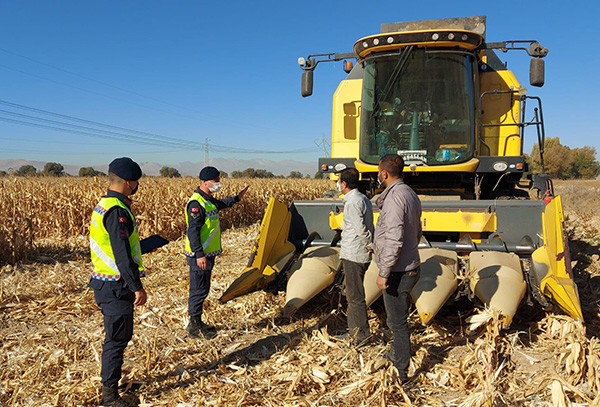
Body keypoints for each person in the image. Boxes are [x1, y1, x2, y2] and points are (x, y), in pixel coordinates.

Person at [88, 157, 147, 407]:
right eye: (135, 182)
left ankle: (113, 383)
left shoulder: (104, 204)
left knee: (118, 337)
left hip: (106, 282)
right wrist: (136, 286)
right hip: (115, 286)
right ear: (126, 182)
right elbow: (122, 255)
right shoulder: (117, 211)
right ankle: (110, 396)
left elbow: (116, 248)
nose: (136, 185)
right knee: (116, 339)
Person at [373, 154, 422, 383]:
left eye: (378, 172)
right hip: (409, 264)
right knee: (396, 319)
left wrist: (384, 272)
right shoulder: (410, 194)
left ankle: (401, 371)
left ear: (384, 173)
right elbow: (417, 230)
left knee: (398, 322)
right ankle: (397, 354)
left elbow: (394, 238)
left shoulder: (394, 199)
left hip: (398, 270)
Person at [184, 166, 248, 339]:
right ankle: (193, 326)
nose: (218, 183)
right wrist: (199, 254)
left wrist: (237, 198)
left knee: (203, 289)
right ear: (204, 182)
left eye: (219, 180)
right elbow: (193, 232)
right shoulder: (196, 204)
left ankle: (198, 322)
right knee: (198, 290)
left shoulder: (208, 200)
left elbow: (221, 204)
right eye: (216, 181)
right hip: (200, 255)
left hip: (207, 254)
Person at [337, 168, 374, 346]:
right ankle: (353, 332)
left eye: (338, 181)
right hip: (357, 253)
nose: (337, 184)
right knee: (352, 295)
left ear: (344, 184)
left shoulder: (352, 202)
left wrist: (370, 244)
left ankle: (361, 337)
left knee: (355, 297)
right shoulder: (363, 198)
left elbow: (361, 230)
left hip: (354, 254)